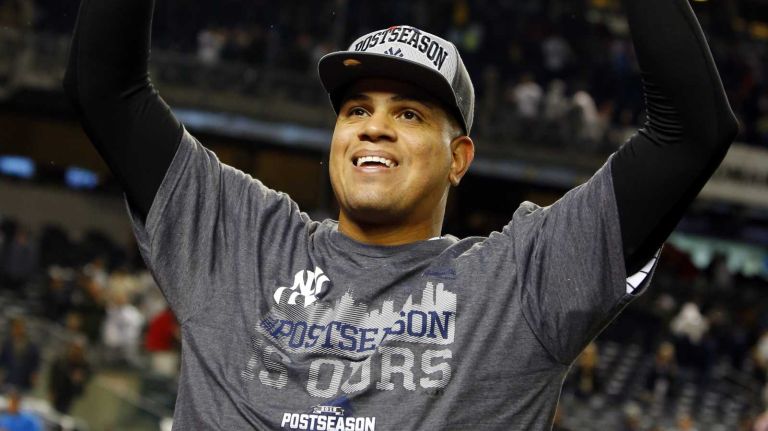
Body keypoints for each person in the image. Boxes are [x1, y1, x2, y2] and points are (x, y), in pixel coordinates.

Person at [62, 0, 737, 429]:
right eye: (357, 109)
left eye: (408, 113)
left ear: (459, 157)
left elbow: (690, 133)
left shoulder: (522, 280)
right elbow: (106, 91)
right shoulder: (239, 234)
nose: (373, 128)